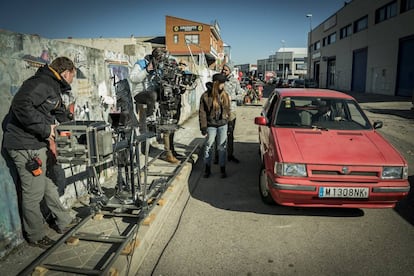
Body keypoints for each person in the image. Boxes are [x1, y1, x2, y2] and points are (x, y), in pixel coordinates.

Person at [3, 57, 80, 249]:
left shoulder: (52, 86)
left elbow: (57, 109)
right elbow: (21, 106)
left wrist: (70, 121)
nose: (73, 80)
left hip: (34, 144)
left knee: (48, 187)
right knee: (33, 194)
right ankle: (35, 235)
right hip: (25, 147)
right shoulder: (41, 83)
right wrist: (47, 129)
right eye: (73, 76)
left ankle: (63, 220)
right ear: (66, 73)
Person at [199, 74, 231, 178]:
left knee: (222, 147)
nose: (223, 85)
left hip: (222, 124)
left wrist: (229, 122)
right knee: (209, 145)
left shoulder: (225, 95)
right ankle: (207, 168)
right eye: (222, 83)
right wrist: (203, 127)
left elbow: (228, 110)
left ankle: (223, 169)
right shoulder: (206, 95)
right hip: (211, 124)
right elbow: (202, 112)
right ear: (217, 83)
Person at [217, 63, 244, 163]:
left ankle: (230, 155)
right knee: (218, 133)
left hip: (231, 111)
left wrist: (231, 98)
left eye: (226, 70)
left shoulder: (234, 81)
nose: (224, 71)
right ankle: (217, 155)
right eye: (223, 69)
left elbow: (241, 93)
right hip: (218, 110)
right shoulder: (218, 79)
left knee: (230, 133)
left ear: (230, 71)